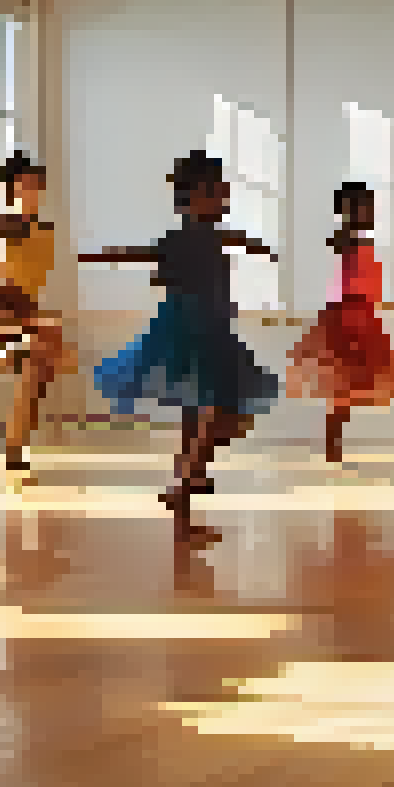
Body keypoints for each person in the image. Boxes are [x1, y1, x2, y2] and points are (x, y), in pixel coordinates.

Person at [81, 152, 278, 527]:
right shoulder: (186, 238)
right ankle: (186, 484)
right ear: (196, 195)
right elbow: (155, 261)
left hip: (207, 327)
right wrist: (116, 256)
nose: (225, 196)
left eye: (224, 189)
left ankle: (188, 479)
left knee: (198, 410)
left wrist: (255, 246)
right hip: (195, 328)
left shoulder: (206, 235)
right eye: (218, 191)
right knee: (218, 412)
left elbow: (220, 244)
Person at [286, 183, 394, 465]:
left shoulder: (357, 241)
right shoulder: (348, 240)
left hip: (360, 315)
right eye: (365, 208)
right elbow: (351, 274)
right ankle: (332, 446)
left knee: (343, 392)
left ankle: (334, 446)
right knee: (340, 390)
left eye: (371, 208)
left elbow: (368, 282)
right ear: (350, 211)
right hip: (348, 317)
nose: (371, 213)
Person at [0, 152, 66, 489]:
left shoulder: (45, 227)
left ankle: (15, 448)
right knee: (42, 348)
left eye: (37, 185)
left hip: (30, 303)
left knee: (38, 379)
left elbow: (40, 273)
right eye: (26, 185)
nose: (34, 191)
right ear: (13, 189)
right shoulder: (7, 221)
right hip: (7, 298)